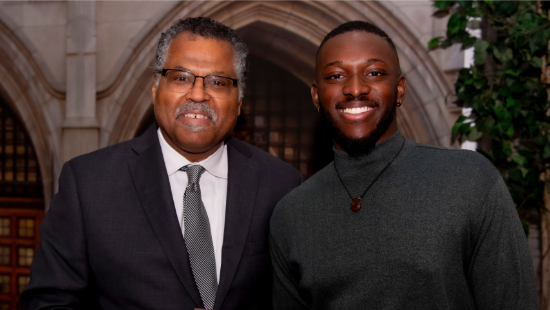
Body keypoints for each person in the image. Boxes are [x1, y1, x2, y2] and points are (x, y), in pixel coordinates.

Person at [21, 17, 302, 310]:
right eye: (181, 77)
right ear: (155, 89)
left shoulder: (281, 185)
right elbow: (47, 303)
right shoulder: (88, 184)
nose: (197, 94)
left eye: (218, 82)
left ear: (239, 101)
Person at [269, 21, 538, 309]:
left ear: (399, 89)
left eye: (374, 73)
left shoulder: (471, 181)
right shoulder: (292, 213)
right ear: (316, 96)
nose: (355, 88)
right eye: (336, 75)